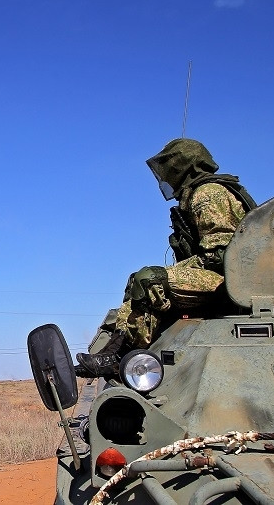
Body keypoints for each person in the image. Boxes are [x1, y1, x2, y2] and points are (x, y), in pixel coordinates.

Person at [75, 138, 256, 378]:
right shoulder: (197, 193)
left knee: (149, 280)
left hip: (228, 280)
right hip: (222, 275)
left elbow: (219, 256)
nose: (166, 176)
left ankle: (124, 359)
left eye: (170, 167)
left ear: (184, 166)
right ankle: (115, 350)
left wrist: (171, 271)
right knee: (138, 280)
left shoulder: (208, 194)